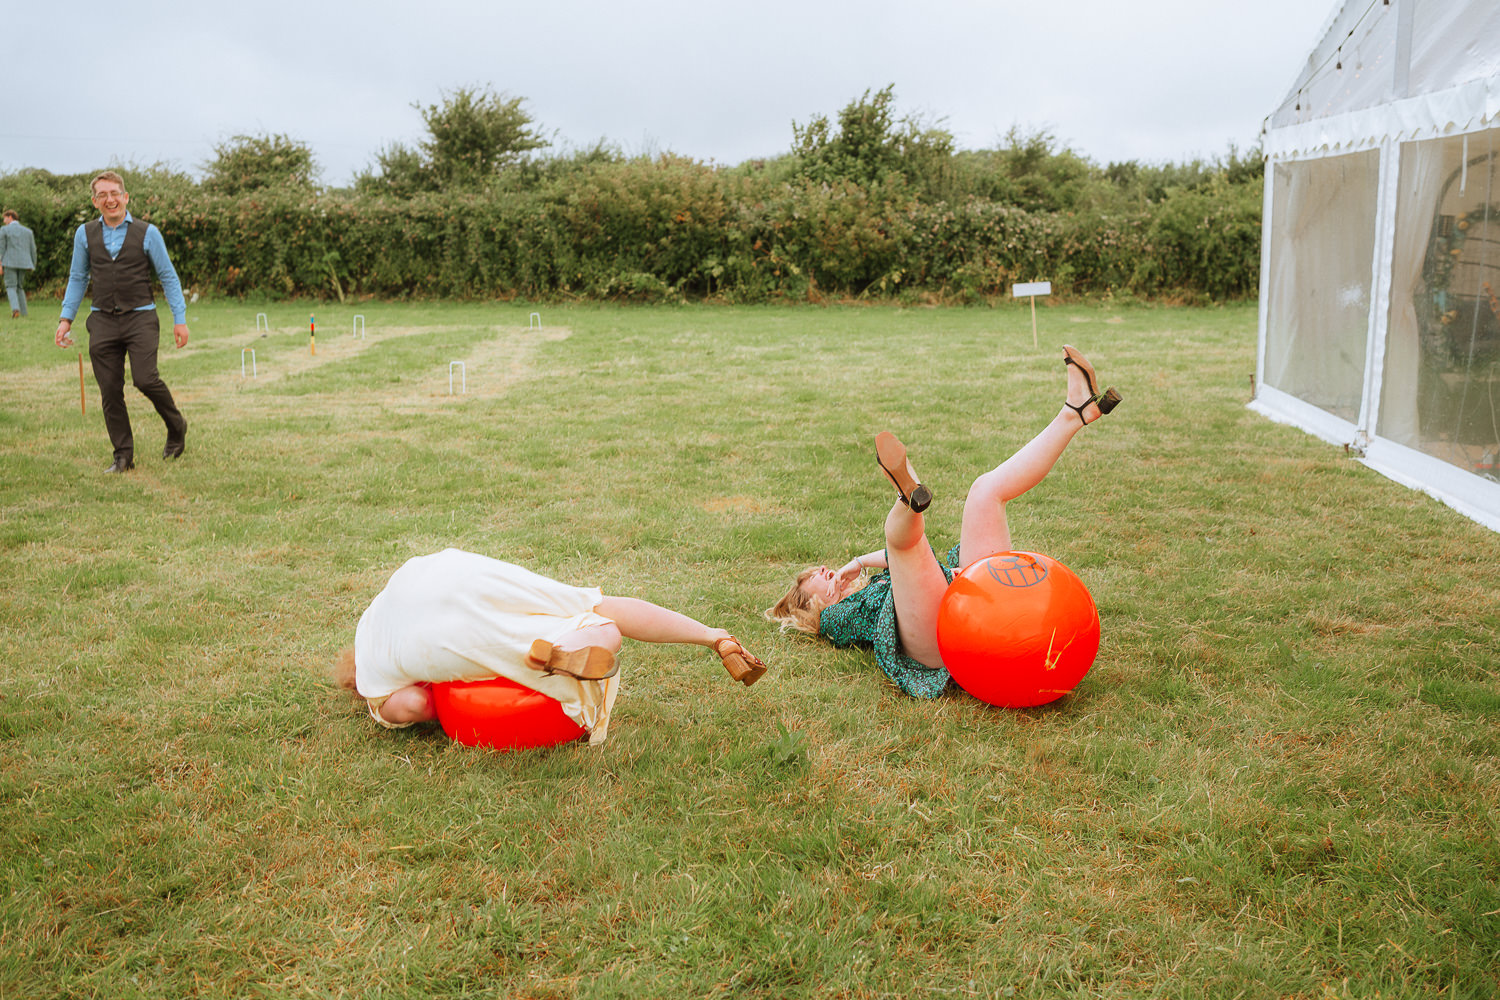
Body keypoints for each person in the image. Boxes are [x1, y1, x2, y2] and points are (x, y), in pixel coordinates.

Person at [767, 345, 1121, 699]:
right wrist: (831, 598)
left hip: (968, 603)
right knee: (903, 544)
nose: (824, 571)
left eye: (821, 569)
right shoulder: (834, 619)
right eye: (815, 578)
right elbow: (892, 578)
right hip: (935, 643)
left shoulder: (871, 583)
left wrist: (856, 563)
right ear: (807, 603)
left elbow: (900, 571)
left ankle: (1075, 412)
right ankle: (907, 499)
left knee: (984, 491)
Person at [333, 547, 768, 744]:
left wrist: (433, 697)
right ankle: (715, 637)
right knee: (591, 603)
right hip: (452, 571)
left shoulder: (377, 684)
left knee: (442, 680)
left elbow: (410, 706)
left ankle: (552, 655)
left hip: (437, 635)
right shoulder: (381, 605)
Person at [54, 171, 190, 474]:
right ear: (95, 202)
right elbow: (78, 277)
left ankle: (176, 425)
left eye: (114, 193)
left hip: (140, 317)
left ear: (125, 197)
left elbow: (168, 276)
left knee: (145, 379)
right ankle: (123, 456)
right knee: (110, 390)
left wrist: (179, 320)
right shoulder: (84, 234)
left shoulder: (148, 232)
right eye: (102, 195)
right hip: (102, 320)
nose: (110, 199)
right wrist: (66, 319)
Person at [0, 209, 38, 319]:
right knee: (20, 287)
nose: (4, 220)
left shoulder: (4, 230)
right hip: (24, 263)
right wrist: (32, 264)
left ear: (10, 217)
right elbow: (33, 249)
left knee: (11, 286)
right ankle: (24, 312)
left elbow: (1, 249)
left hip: (9, 262)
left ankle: (15, 309)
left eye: (5, 218)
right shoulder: (28, 231)